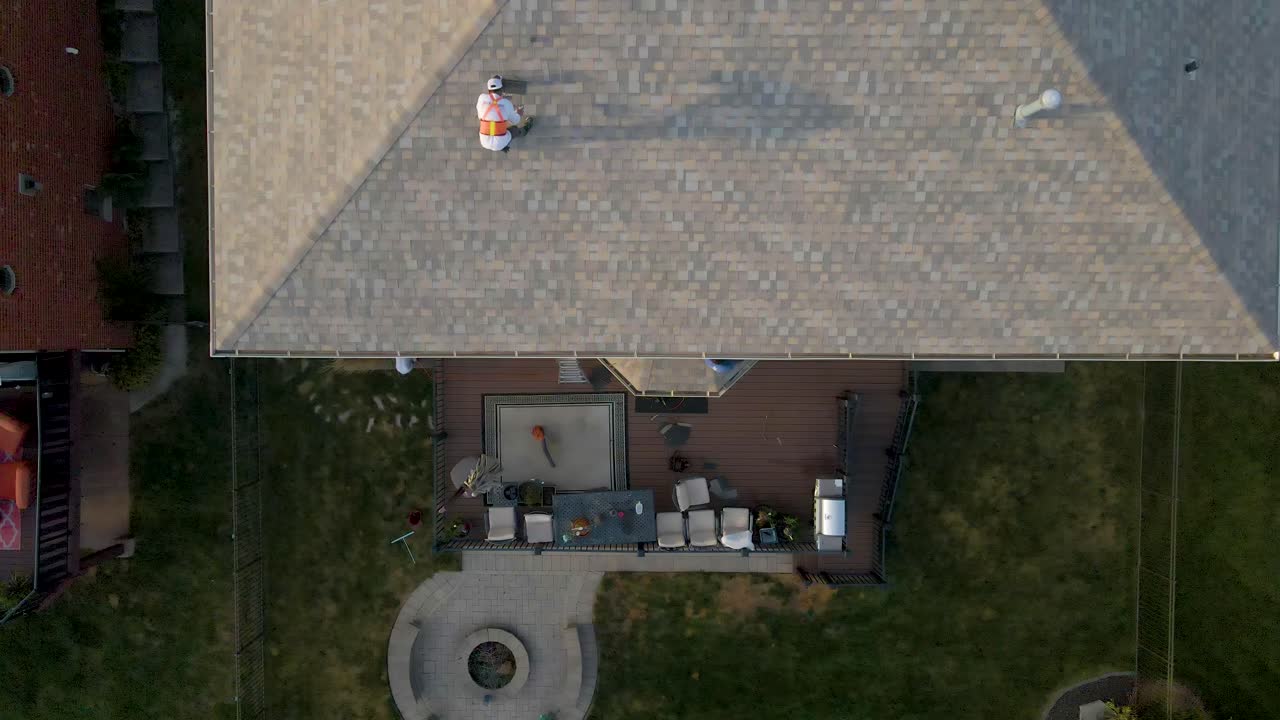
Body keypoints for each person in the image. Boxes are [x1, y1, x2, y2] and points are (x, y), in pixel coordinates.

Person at [476, 75, 533, 153]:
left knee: (490, 124)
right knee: (514, 130)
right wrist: (518, 113)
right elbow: (515, 121)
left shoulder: (481, 98)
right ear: (502, 90)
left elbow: (480, 116)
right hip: (500, 142)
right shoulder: (506, 103)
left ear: (489, 90)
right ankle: (526, 128)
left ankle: (501, 145)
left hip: (484, 142)